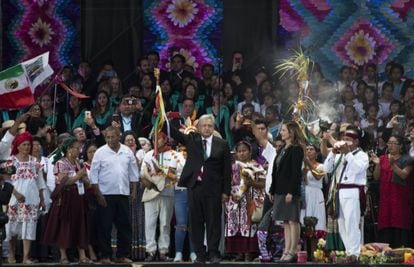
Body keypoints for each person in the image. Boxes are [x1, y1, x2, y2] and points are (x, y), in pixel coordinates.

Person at [169, 114, 231, 263]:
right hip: (195, 187)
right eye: (204, 125)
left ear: (213, 127)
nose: (207, 128)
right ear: (198, 127)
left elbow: (226, 170)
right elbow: (173, 133)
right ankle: (200, 254)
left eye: (210, 125)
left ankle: (213, 253)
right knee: (196, 223)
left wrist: (226, 191)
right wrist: (163, 118)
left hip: (214, 190)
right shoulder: (192, 140)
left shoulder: (222, 143)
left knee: (213, 223)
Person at [89, 126, 139, 264]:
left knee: (124, 226)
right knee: (104, 226)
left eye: (113, 137)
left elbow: (133, 173)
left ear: (119, 136)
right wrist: (99, 195)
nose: (110, 140)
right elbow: (93, 176)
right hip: (105, 194)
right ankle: (105, 255)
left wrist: (134, 191)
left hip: (123, 193)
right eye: (108, 137)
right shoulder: (100, 152)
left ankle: (122, 255)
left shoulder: (127, 151)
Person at [323, 126, 369, 263]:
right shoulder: (340, 154)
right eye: (343, 139)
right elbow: (326, 169)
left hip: (353, 190)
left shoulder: (362, 155)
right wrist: (333, 153)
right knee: (341, 223)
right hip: (339, 191)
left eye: (348, 140)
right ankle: (349, 251)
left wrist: (347, 154)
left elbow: (357, 169)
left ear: (356, 142)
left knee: (352, 223)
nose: (344, 142)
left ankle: (355, 253)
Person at [42, 137, 91, 264]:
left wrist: (85, 179)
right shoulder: (60, 163)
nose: (78, 151)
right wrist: (78, 176)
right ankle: (63, 255)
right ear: (69, 149)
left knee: (80, 224)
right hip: (65, 197)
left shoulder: (78, 163)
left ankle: (82, 255)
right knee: (64, 225)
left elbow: (82, 179)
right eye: (76, 148)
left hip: (78, 197)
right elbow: (64, 181)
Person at [141, 132, 184, 262]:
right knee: (149, 223)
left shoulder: (175, 155)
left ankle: (164, 251)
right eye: (154, 139)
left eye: (158, 138)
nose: (156, 141)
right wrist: (149, 178)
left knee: (165, 223)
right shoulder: (149, 154)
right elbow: (142, 172)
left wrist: (164, 172)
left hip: (168, 191)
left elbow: (181, 172)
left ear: (165, 140)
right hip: (151, 191)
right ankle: (150, 251)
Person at [268, 121, 305, 263]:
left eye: (283, 130)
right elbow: (275, 171)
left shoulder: (296, 149)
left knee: (292, 220)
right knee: (285, 221)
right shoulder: (283, 148)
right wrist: (272, 189)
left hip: (290, 191)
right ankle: (286, 249)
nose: (281, 132)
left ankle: (293, 250)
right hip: (279, 190)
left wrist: (291, 191)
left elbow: (296, 173)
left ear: (291, 132)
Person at [6, 132, 46, 264]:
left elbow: (40, 182)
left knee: (29, 226)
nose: (27, 147)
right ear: (18, 146)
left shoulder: (35, 162)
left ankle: (25, 257)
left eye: (29, 144)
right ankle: (11, 254)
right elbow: (6, 181)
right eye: (24, 144)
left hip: (31, 199)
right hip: (14, 198)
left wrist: (42, 198)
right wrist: (14, 194)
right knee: (12, 226)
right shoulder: (11, 161)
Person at [225, 141, 265, 261]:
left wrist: (251, 183)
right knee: (235, 225)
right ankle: (238, 253)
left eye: (244, 151)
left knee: (248, 224)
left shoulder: (257, 166)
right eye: (239, 151)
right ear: (236, 153)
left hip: (250, 199)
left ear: (250, 152)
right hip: (234, 200)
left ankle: (249, 252)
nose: (241, 153)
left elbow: (263, 183)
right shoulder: (231, 167)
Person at [372, 135, 413, 248]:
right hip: (385, 196)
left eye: (394, 143)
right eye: (389, 143)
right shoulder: (382, 158)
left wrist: (392, 165)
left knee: (400, 220)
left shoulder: (407, 159)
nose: (390, 145)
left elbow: (404, 175)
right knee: (385, 221)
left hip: (400, 197)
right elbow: (376, 177)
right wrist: (378, 165)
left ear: (400, 146)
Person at [121, 131, 146, 261]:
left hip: (139, 190)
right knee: (125, 220)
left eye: (132, 140)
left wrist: (133, 155)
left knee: (138, 220)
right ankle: (123, 252)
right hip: (124, 190)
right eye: (127, 140)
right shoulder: (120, 155)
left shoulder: (142, 155)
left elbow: (139, 171)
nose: (130, 142)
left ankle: (138, 252)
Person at [302, 144, 326, 232]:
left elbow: (318, 176)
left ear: (316, 153)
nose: (308, 151)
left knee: (317, 219)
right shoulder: (302, 166)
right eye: (306, 149)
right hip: (305, 193)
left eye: (311, 149)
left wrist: (309, 164)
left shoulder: (321, 166)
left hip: (316, 194)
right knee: (304, 221)